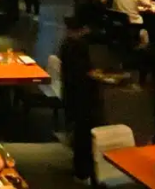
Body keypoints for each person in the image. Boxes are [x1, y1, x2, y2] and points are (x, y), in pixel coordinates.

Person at [59, 14, 104, 183]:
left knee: (80, 133)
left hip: (71, 93)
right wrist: (96, 76)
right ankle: (83, 171)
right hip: (83, 96)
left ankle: (81, 170)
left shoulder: (66, 45)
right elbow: (83, 72)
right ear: (83, 29)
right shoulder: (78, 46)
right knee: (84, 134)